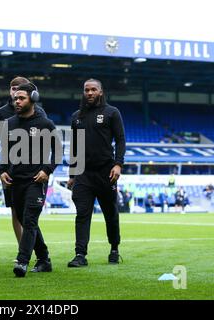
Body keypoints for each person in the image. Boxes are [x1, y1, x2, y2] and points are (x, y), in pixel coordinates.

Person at [0, 82, 62, 277]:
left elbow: (58, 151)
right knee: (26, 221)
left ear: (32, 99)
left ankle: (22, 261)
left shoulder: (45, 123)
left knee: (30, 220)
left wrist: (47, 170)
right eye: (15, 98)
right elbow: (4, 153)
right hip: (16, 181)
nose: (17, 101)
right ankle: (44, 259)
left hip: (36, 180)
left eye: (21, 98)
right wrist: (1, 170)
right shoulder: (8, 124)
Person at [67, 78, 126, 267]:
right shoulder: (77, 116)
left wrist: (118, 165)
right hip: (83, 174)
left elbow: (121, 140)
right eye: (86, 90)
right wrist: (72, 174)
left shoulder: (111, 113)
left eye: (93, 90)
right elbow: (75, 147)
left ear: (101, 92)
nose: (90, 93)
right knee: (82, 214)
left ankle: (114, 248)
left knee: (111, 213)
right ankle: (80, 255)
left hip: (106, 173)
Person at [0, 76, 48, 245]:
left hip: (33, 169)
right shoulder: (1, 113)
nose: (15, 92)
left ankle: (30, 249)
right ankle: (22, 248)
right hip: (11, 170)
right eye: (12, 88)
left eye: (19, 89)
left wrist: (45, 168)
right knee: (15, 211)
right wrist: (3, 168)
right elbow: (3, 142)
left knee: (30, 213)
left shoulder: (39, 112)